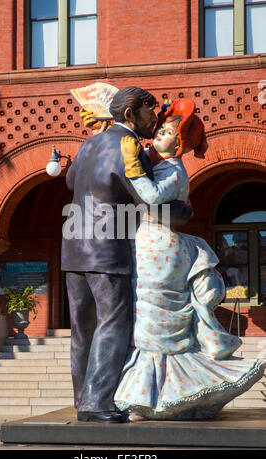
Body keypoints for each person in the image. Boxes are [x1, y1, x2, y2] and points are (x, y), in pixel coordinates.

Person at [113, 99, 266, 421]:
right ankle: (151, 397)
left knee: (152, 318)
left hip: (158, 244)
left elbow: (152, 197)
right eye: (161, 129)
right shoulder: (159, 163)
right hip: (149, 240)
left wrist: (133, 171)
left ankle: (148, 399)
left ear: (180, 144)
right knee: (146, 317)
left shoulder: (174, 169)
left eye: (168, 133)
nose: (160, 135)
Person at [62, 87, 192, 423]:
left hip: (73, 245)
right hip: (106, 248)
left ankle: (83, 401)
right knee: (113, 323)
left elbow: (70, 179)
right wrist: (181, 209)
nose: (156, 118)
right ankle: (96, 404)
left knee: (82, 328)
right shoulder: (128, 144)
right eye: (151, 112)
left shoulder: (90, 142)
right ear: (130, 114)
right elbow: (147, 201)